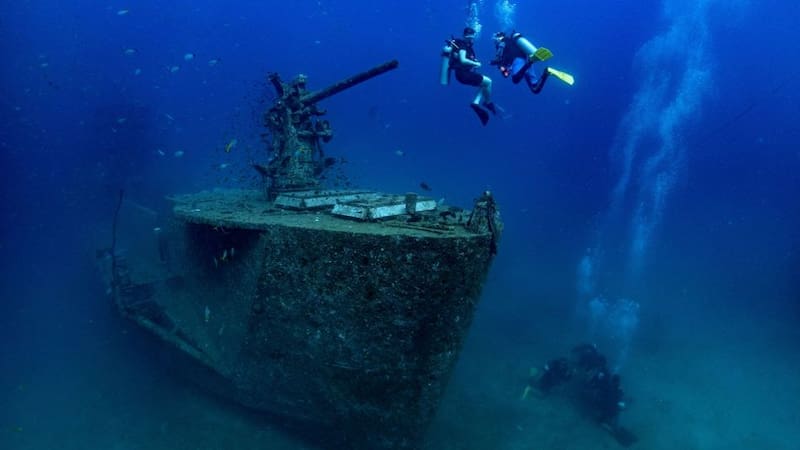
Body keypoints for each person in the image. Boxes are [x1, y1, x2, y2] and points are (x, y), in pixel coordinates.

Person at [441, 27, 496, 125]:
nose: (471, 39)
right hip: (463, 74)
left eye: (472, 37)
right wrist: (476, 64)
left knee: (484, 85)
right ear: (465, 36)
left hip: (462, 75)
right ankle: (487, 103)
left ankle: (476, 103)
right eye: (470, 37)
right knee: (489, 82)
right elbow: (463, 60)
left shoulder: (465, 46)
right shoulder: (463, 45)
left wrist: (473, 63)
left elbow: (463, 59)